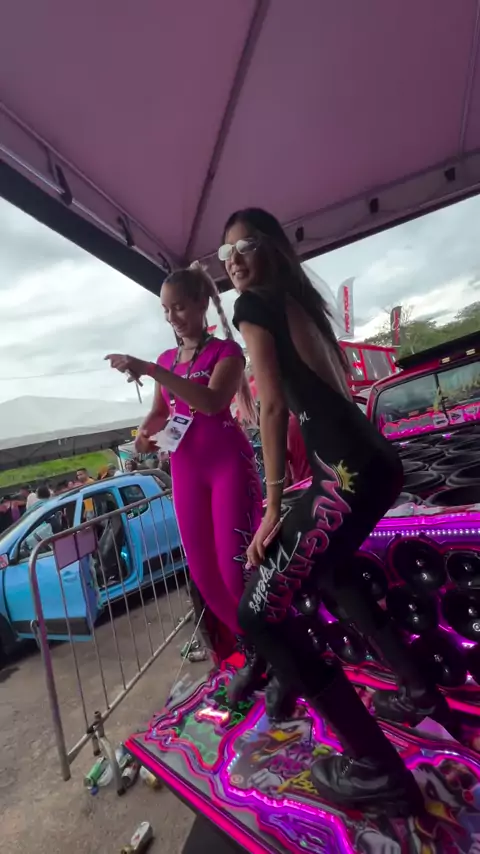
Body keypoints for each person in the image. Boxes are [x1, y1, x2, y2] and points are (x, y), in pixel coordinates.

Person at [219, 207, 463, 815]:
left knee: (257, 614)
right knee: (331, 573)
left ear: (272, 248)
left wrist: (274, 505)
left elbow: (272, 408)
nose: (234, 261)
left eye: (245, 246)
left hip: (347, 476)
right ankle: (419, 692)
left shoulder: (254, 305)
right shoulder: (300, 302)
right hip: (373, 465)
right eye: (225, 254)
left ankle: (377, 771)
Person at [105, 263, 264, 682]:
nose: (172, 317)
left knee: (235, 571)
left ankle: (272, 640)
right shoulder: (166, 360)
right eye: (165, 310)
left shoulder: (227, 352)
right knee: (204, 575)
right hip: (186, 470)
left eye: (178, 307)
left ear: (201, 303)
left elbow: (212, 403)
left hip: (228, 465)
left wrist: (152, 370)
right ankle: (254, 647)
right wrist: (144, 436)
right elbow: (162, 412)